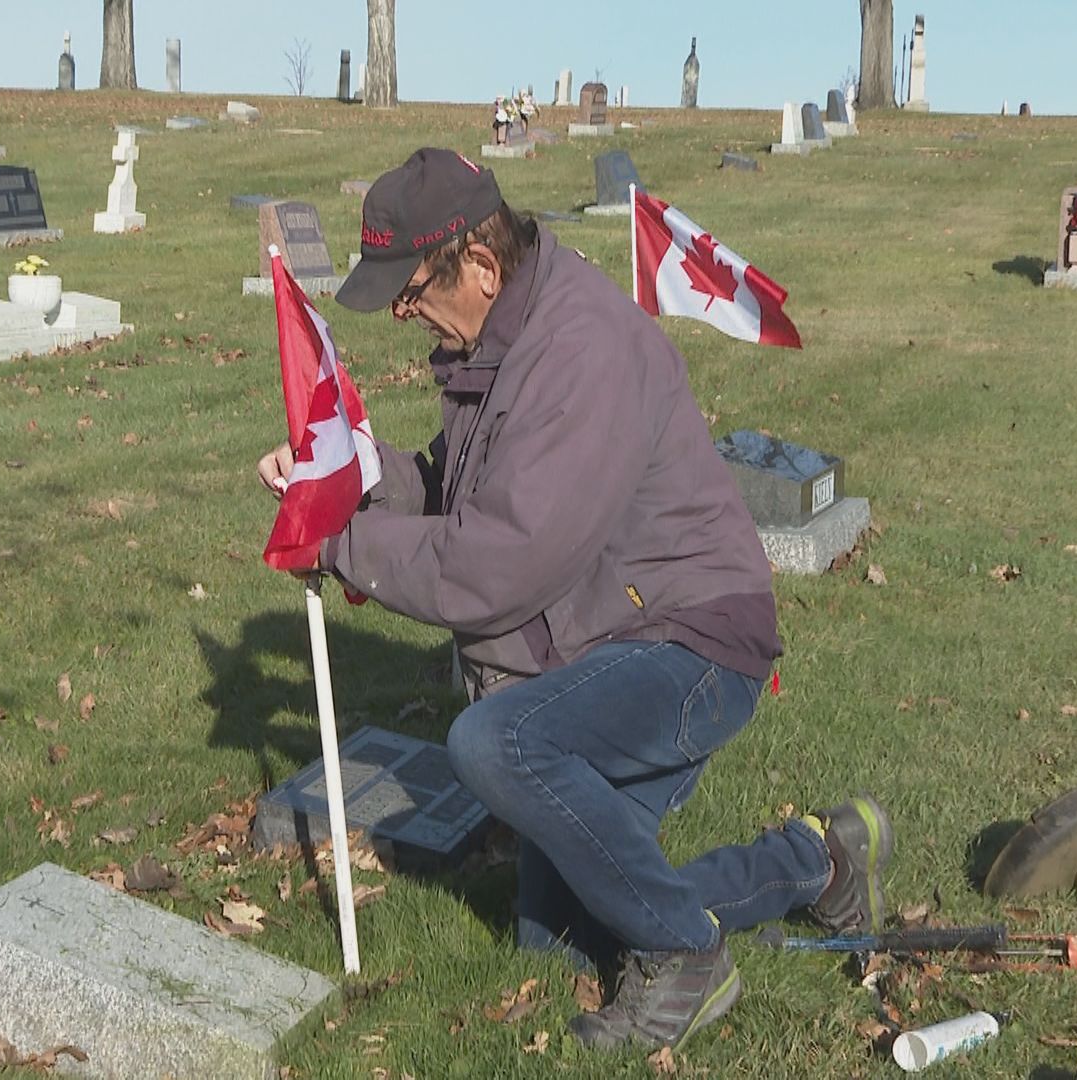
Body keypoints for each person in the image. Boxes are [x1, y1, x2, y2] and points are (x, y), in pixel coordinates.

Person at [256, 148, 892, 1052]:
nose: (407, 317)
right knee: (559, 938)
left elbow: (497, 563)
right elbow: (459, 490)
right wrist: (350, 476)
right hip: (613, 631)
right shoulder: (499, 335)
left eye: (410, 295)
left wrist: (339, 544)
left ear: (478, 265)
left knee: (494, 740)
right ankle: (819, 862)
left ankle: (688, 958)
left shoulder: (579, 350)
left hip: (691, 641)